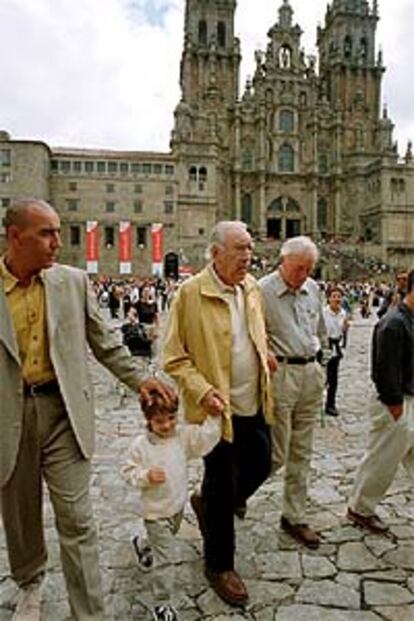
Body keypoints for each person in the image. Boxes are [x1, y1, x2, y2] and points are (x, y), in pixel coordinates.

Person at [0, 198, 175, 621]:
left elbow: (105, 343)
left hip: (63, 414)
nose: (58, 242)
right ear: (14, 236)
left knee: (78, 521)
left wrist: (140, 379)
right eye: (47, 233)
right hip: (8, 418)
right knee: (20, 516)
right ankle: (29, 581)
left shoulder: (73, 282)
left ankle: (89, 615)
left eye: (60, 231)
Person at [163, 221, 274, 607]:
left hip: (254, 401)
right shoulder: (190, 294)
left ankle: (209, 504)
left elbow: (254, 332)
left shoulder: (252, 287)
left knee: (263, 462)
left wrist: (265, 354)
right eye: (240, 249)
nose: (248, 256)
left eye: (250, 248)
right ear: (215, 253)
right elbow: (174, 357)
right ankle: (219, 564)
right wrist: (202, 390)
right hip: (216, 409)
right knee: (223, 482)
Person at [121, 391, 222, 621]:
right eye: (159, 421)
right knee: (165, 559)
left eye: (171, 419)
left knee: (161, 544)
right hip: (154, 513)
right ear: (148, 420)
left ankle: (142, 543)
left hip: (176, 507)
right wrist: (145, 475)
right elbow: (127, 471)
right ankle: (162, 604)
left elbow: (203, 439)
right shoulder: (141, 446)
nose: (166, 425)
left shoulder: (182, 437)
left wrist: (214, 417)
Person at [259, 236, 327, 549]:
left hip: (311, 373)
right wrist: (264, 352)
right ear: (282, 261)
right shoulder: (261, 291)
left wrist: (322, 358)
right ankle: (230, 494)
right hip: (282, 374)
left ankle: (294, 515)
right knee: (276, 453)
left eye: (309, 269)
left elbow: (321, 330)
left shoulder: (313, 288)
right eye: (299, 268)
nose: (304, 275)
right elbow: (248, 332)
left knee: (303, 451)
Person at [347, 269, 414, 534]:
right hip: (396, 403)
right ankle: (360, 508)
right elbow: (383, 368)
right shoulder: (394, 322)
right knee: (382, 459)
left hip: (409, 399)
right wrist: (395, 404)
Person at [323, 287, 349, 416]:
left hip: (336, 345)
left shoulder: (343, 313)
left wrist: (344, 330)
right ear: (329, 298)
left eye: (339, 296)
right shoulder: (323, 313)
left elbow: (342, 331)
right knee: (322, 377)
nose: (337, 299)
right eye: (334, 296)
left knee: (333, 378)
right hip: (325, 345)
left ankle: (330, 404)